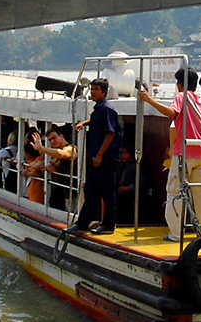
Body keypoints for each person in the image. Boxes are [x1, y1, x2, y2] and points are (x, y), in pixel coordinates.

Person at [137, 67, 201, 241]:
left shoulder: (181, 96)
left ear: (179, 84)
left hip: (183, 154)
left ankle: (176, 233)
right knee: (200, 195)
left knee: (174, 192)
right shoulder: (200, 100)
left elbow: (173, 113)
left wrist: (149, 100)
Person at [64, 79, 123, 236]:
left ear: (104, 92)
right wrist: (84, 122)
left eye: (96, 89)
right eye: (92, 89)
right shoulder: (98, 109)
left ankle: (109, 225)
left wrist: (100, 155)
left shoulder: (107, 109)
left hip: (105, 159)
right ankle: (82, 223)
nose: (93, 92)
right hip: (96, 159)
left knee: (107, 193)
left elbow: (110, 133)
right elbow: (98, 122)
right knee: (90, 191)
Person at [32, 125, 76, 212]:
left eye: (54, 138)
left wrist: (42, 148)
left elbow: (62, 154)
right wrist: (52, 167)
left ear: (61, 136)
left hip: (74, 191)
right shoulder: (59, 151)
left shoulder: (71, 149)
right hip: (66, 188)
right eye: (50, 140)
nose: (52, 141)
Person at [114, 146, 137, 224]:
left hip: (131, 198)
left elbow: (140, 184)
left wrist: (125, 188)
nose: (123, 155)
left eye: (126, 153)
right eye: (121, 153)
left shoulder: (135, 167)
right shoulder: (120, 167)